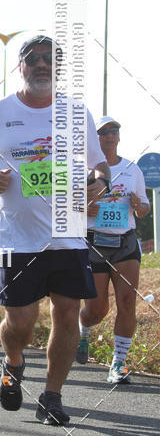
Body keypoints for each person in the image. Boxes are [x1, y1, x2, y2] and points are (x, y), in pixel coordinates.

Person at [0, 35, 111, 425]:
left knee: (67, 313)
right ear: (21, 66)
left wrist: (99, 182)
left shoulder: (76, 113)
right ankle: (13, 363)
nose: (43, 65)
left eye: (50, 59)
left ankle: (52, 396)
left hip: (67, 234)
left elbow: (99, 165)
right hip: (18, 238)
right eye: (34, 59)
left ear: (59, 68)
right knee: (21, 322)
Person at [77, 117, 150, 383]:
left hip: (126, 242)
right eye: (103, 131)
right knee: (97, 309)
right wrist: (83, 209)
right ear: (94, 138)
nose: (110, 135)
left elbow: (144, 206)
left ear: (119, 137)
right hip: (95, 241)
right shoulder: (82, 170)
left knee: (128, 302)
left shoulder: (132, 169)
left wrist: (140, 207)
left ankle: (118, 363)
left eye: (114, 131)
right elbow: (61, 210)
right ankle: (83, 329)